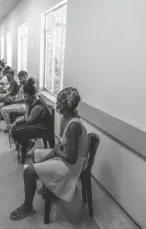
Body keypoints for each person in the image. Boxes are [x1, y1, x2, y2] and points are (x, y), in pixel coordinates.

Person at [9, 87, 89, 220]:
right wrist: (46, 158)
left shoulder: (73, 126)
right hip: (66, 158)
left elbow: (72, 158)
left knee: (28, 172)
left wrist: (56, 152)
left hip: (72, 166)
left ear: (64, 105)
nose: (57, 103)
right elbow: (61, 148)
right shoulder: (67, 120)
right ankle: (50, 187)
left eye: (59, 101)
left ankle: (27, 207)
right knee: (37, 155)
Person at [8, 78, 54, 163]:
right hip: (37, 122)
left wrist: (27, 107)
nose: (24, 97)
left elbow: (28, 120)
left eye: (25, 95)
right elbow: (27, 117)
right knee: (14, 127)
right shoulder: (32, 100)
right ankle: (26, 145)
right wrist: (15, 123)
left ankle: (26, 147)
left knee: (17, 131)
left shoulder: (38, 105)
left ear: (29, 95)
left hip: (43, 127)